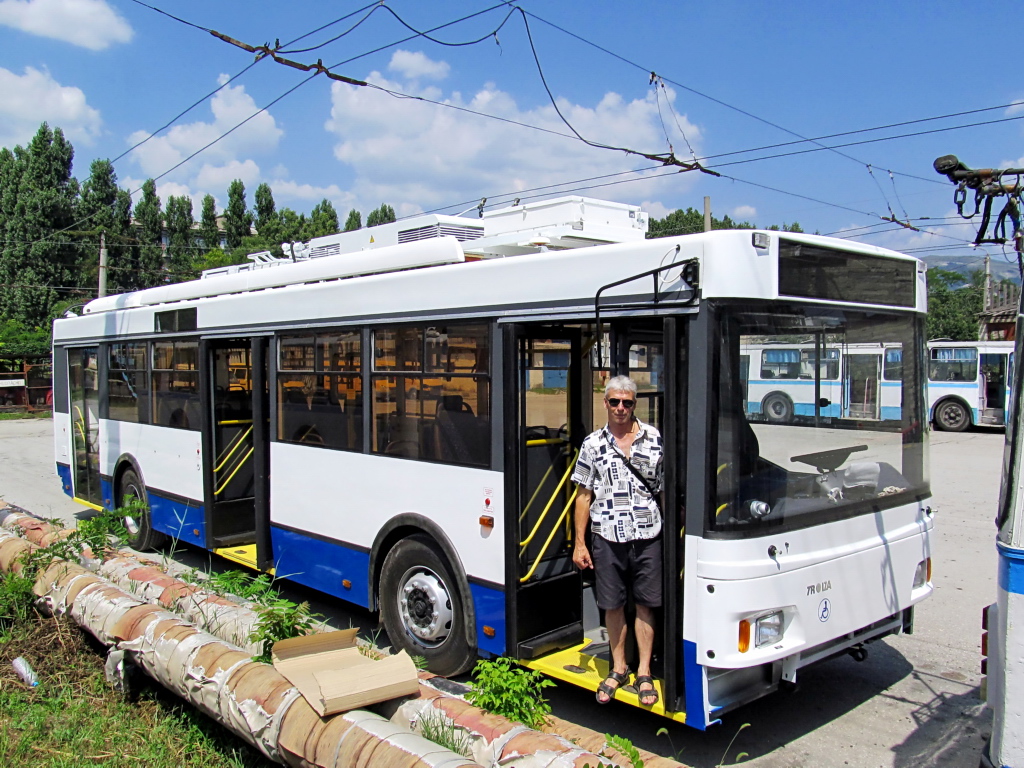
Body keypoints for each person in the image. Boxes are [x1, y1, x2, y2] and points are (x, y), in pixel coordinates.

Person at [571, 375, 664, 706]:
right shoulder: (593, 444)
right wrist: (580, 543)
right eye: (614, 402)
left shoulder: (654, 439)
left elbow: (664, 490)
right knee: (611, 605)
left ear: (634, 404)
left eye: (627, 402)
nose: (621, 408)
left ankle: (643, 673)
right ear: (605, 403)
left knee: (645, 603)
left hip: (648, 535)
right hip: (607, 537)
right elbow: (583, 496)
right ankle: (619, 667)